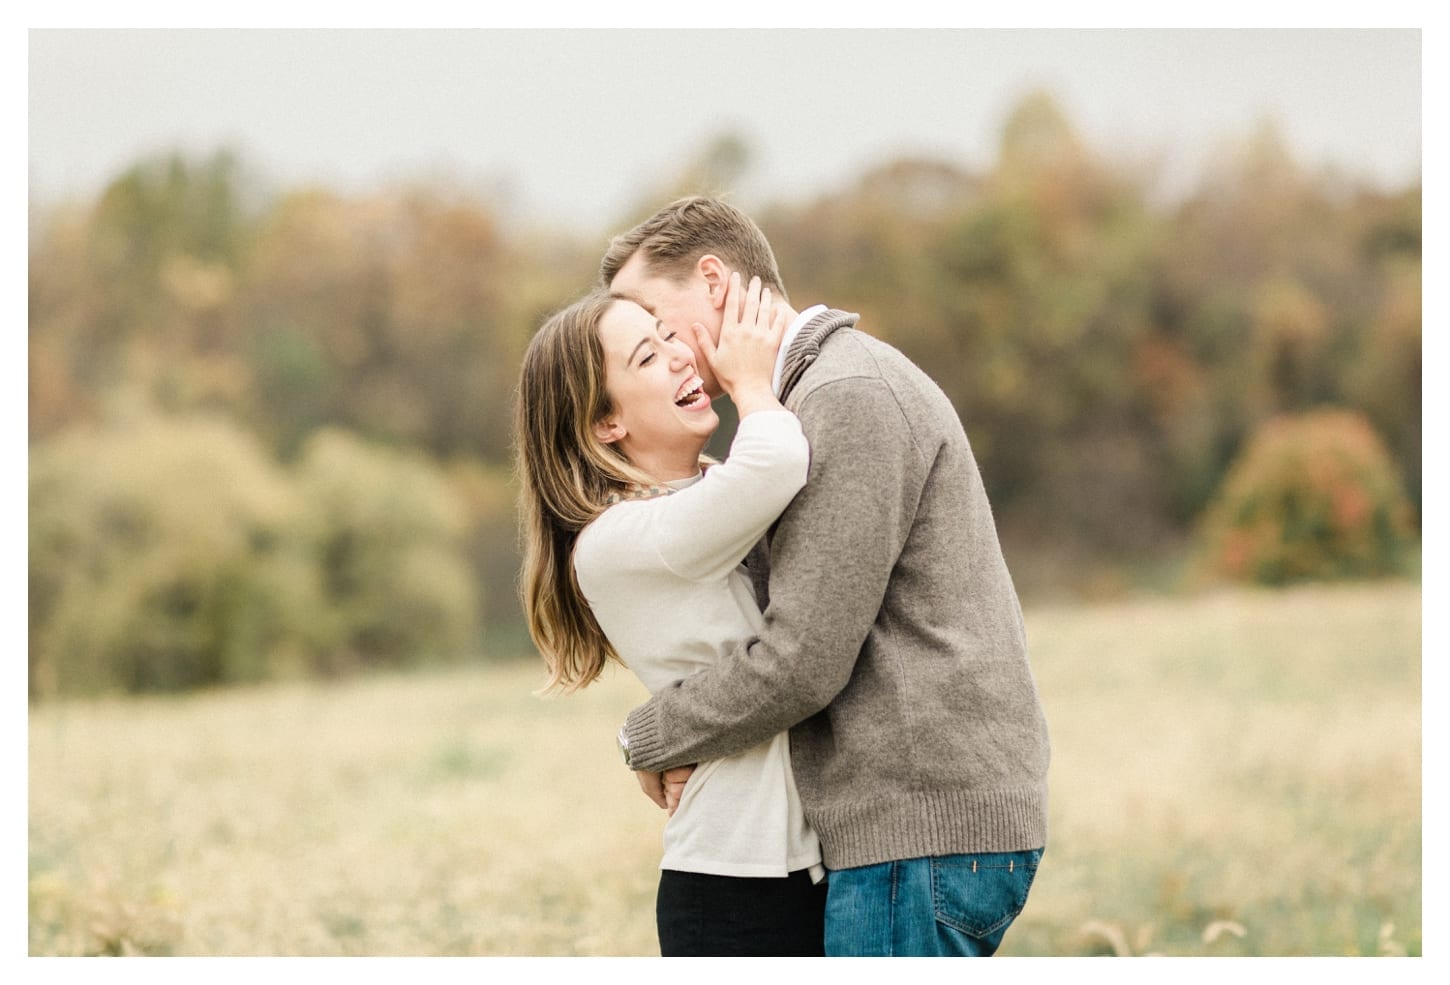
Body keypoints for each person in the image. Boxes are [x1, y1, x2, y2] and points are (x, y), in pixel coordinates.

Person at [602, 196, 1051, 957]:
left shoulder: (845, 394)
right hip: (906, 826)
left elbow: (802, 659)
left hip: (918, 828)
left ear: (714, 281)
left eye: (656, 318)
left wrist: (650, 733)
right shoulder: (807, 402)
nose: (667, 350)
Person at [514, 275, 828, 956]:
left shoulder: (705, 494)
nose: (682, 355)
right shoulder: (621, 539)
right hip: (738, 884)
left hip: (797, 868)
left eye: (666, 337)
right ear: (606, 423)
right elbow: (778, 459)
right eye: (648, 358)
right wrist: (749, 382)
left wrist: (646, 738)